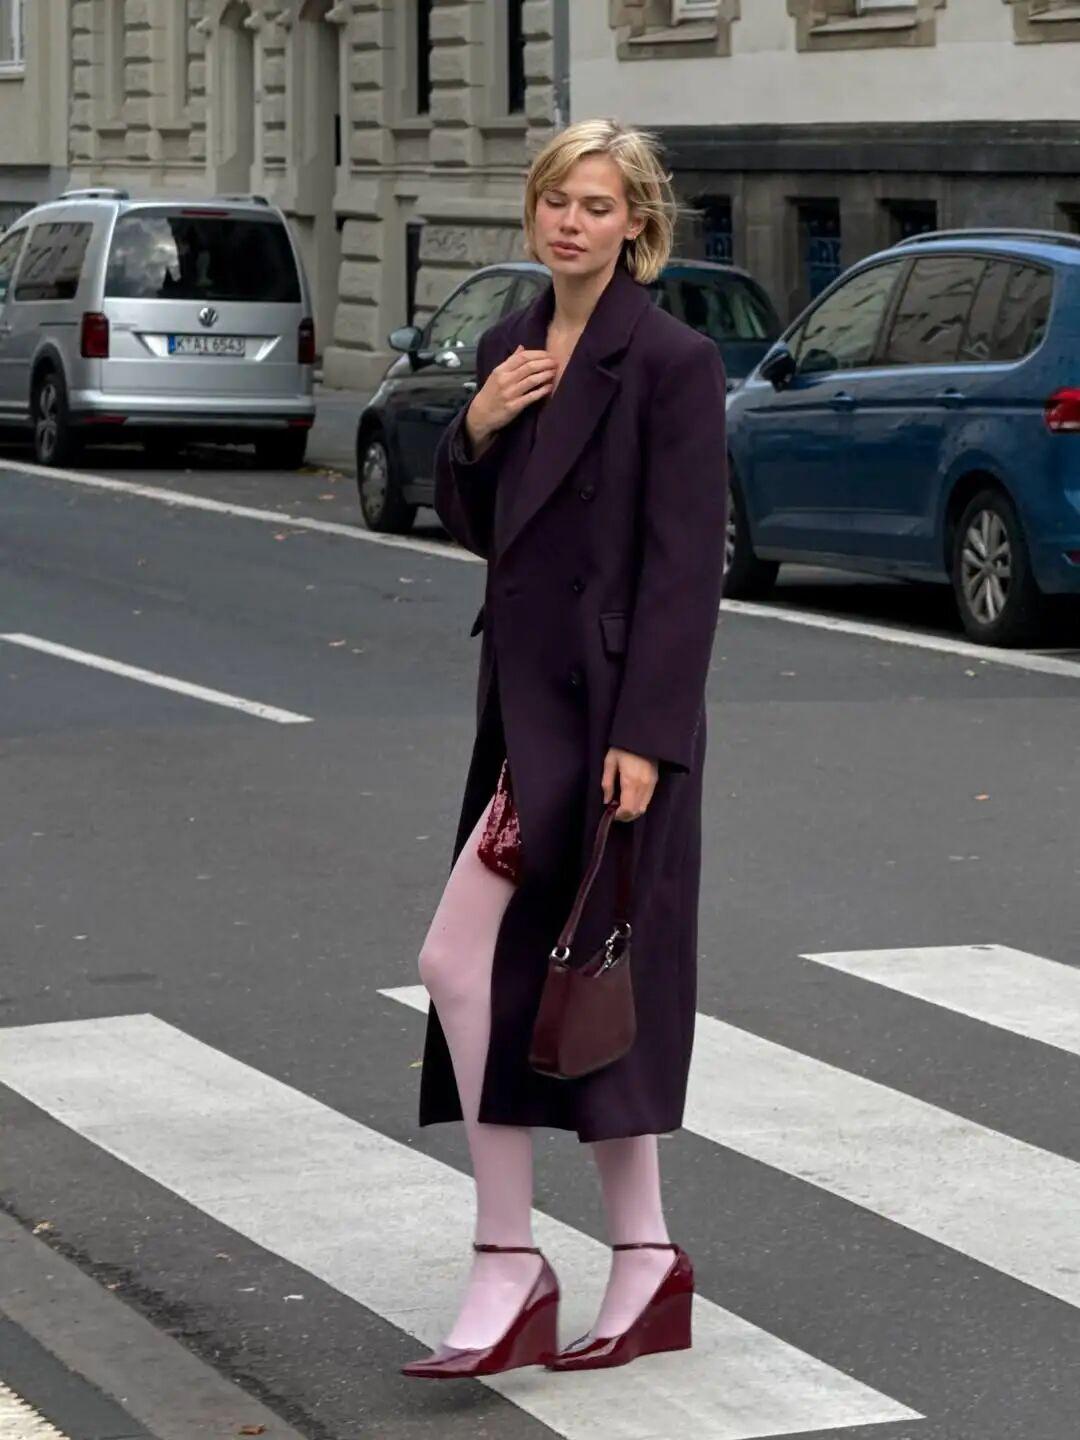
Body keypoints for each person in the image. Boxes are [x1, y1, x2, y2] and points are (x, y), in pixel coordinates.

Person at [403, 118, 727, 1379]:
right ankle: (640, 1256)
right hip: (524, 713)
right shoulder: (510, 346)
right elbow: (484, 527)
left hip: (611, 724)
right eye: (555, 200)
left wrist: (648, 735)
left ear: (636, 223)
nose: (571, 222)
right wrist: (476, 429)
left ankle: (513, 1257)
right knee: (560, 975)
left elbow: (685, 567)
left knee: (520, 962)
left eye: (596, 205)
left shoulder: (674, 362)